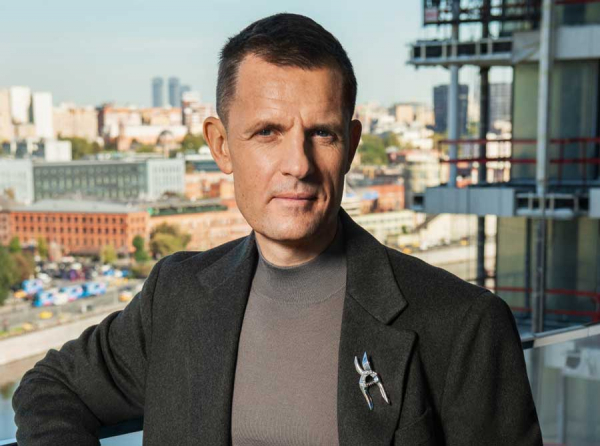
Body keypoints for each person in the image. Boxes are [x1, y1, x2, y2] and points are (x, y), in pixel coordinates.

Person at [13, 13, 542, 446]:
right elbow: (49, 386)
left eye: (322, 134)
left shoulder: (463, 326)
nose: (298, 164)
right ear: (221, 146)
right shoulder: (176, 295)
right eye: (268, 132)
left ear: (351, 146)